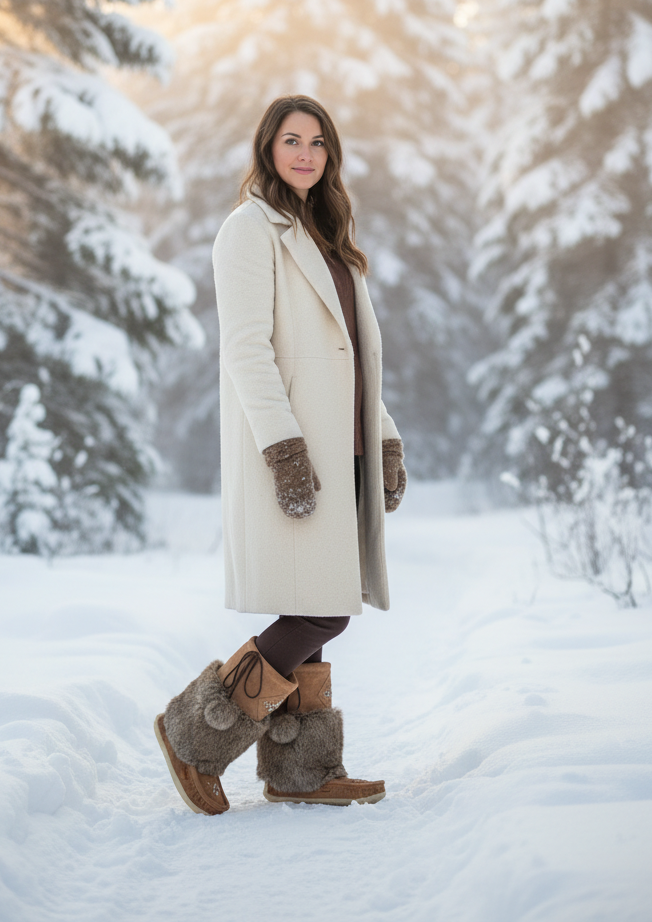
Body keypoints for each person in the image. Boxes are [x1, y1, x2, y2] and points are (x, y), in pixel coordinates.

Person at [154, 95, 407, 814]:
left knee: (318, 600)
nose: (305, 153)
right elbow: (245, 351)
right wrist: (283, 449)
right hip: (297, 451)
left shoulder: (329, 236)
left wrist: (384, 436)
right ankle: (192, 738)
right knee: (322, 610)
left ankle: (301, 772)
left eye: (318, 142)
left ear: (330, 155)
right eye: (291, 140)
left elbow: (358, 361)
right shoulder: (249, 230)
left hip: (343, 446)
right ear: (268, 149)